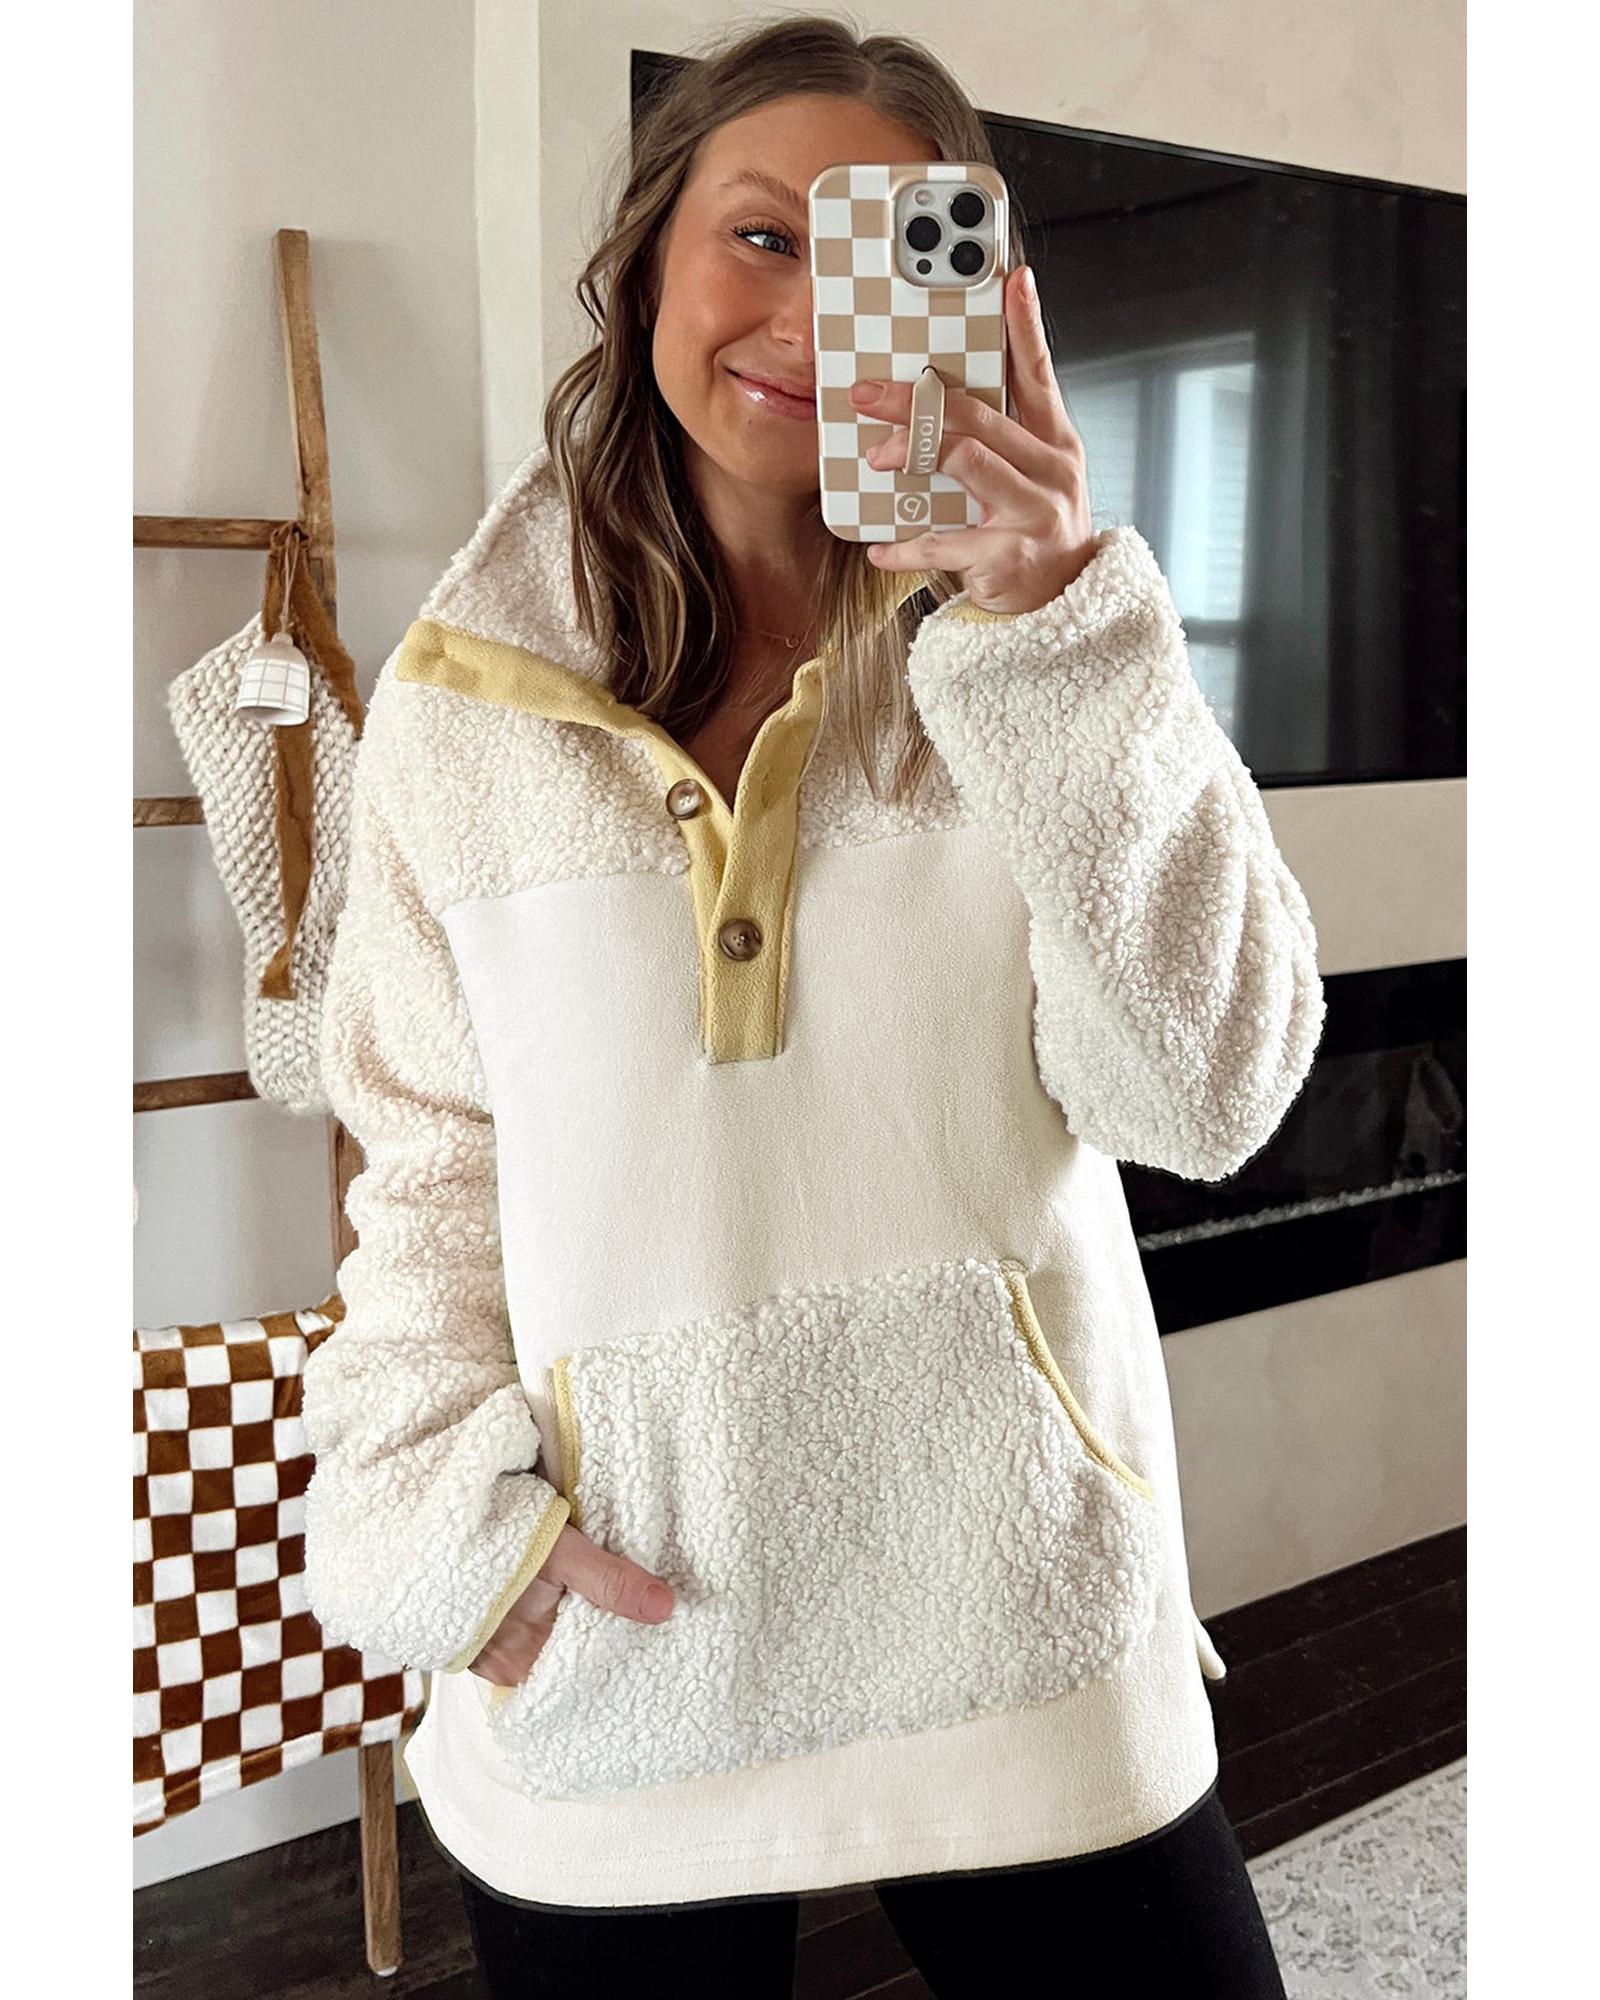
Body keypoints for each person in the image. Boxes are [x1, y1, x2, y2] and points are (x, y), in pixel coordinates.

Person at [301, 15, 1320, 1997]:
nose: (802, 314)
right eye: (760, 235)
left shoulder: (1043, 655)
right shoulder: (462, 708)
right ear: (647, 264)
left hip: (1024, 1632)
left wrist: (1054, 633)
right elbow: (429, 1160)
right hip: (622, 1648)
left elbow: (1204, 1097)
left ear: (975, 301)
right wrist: (440, 1518)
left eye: (879, 255)